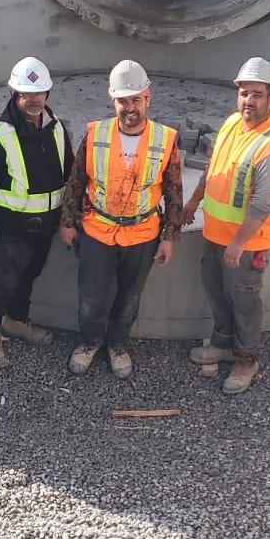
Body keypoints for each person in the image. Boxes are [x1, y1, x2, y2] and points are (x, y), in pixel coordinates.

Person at [58, 60, 182, 379]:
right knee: (91, 297)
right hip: (97, 230)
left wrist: (169, 237)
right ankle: (89, 342)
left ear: (147, 98)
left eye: (135, 99)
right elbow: (75, 180)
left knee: (129, 298)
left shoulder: (166, 139)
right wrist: (68, 221)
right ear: (113, 100)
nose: (130, 107)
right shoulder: (95, 133)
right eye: (123, 100)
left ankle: (117, 344)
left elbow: (174, 193)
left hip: (143, 234)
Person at [181, 57, 270, 396]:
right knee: (216, 290)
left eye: (257, 94)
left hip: (247, 244)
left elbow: (263, 204)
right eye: (244, 93)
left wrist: (239, 243)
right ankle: (223, 342)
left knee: (244, 299)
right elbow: (213, 170)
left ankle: (246, 359)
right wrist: (193, 201)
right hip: (216, 235)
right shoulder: (232, 124)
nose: (249, 101)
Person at [0, 56, 69, 370]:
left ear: (47, 94)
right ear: (13, 93)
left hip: (46, 225)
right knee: (5, 281)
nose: (33, 100)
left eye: (38, 94)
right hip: (13, 228)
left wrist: (69, 215)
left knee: (30, 275)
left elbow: (69, 171)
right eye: (25, 94)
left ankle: (16, 320)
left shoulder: (57, 129)